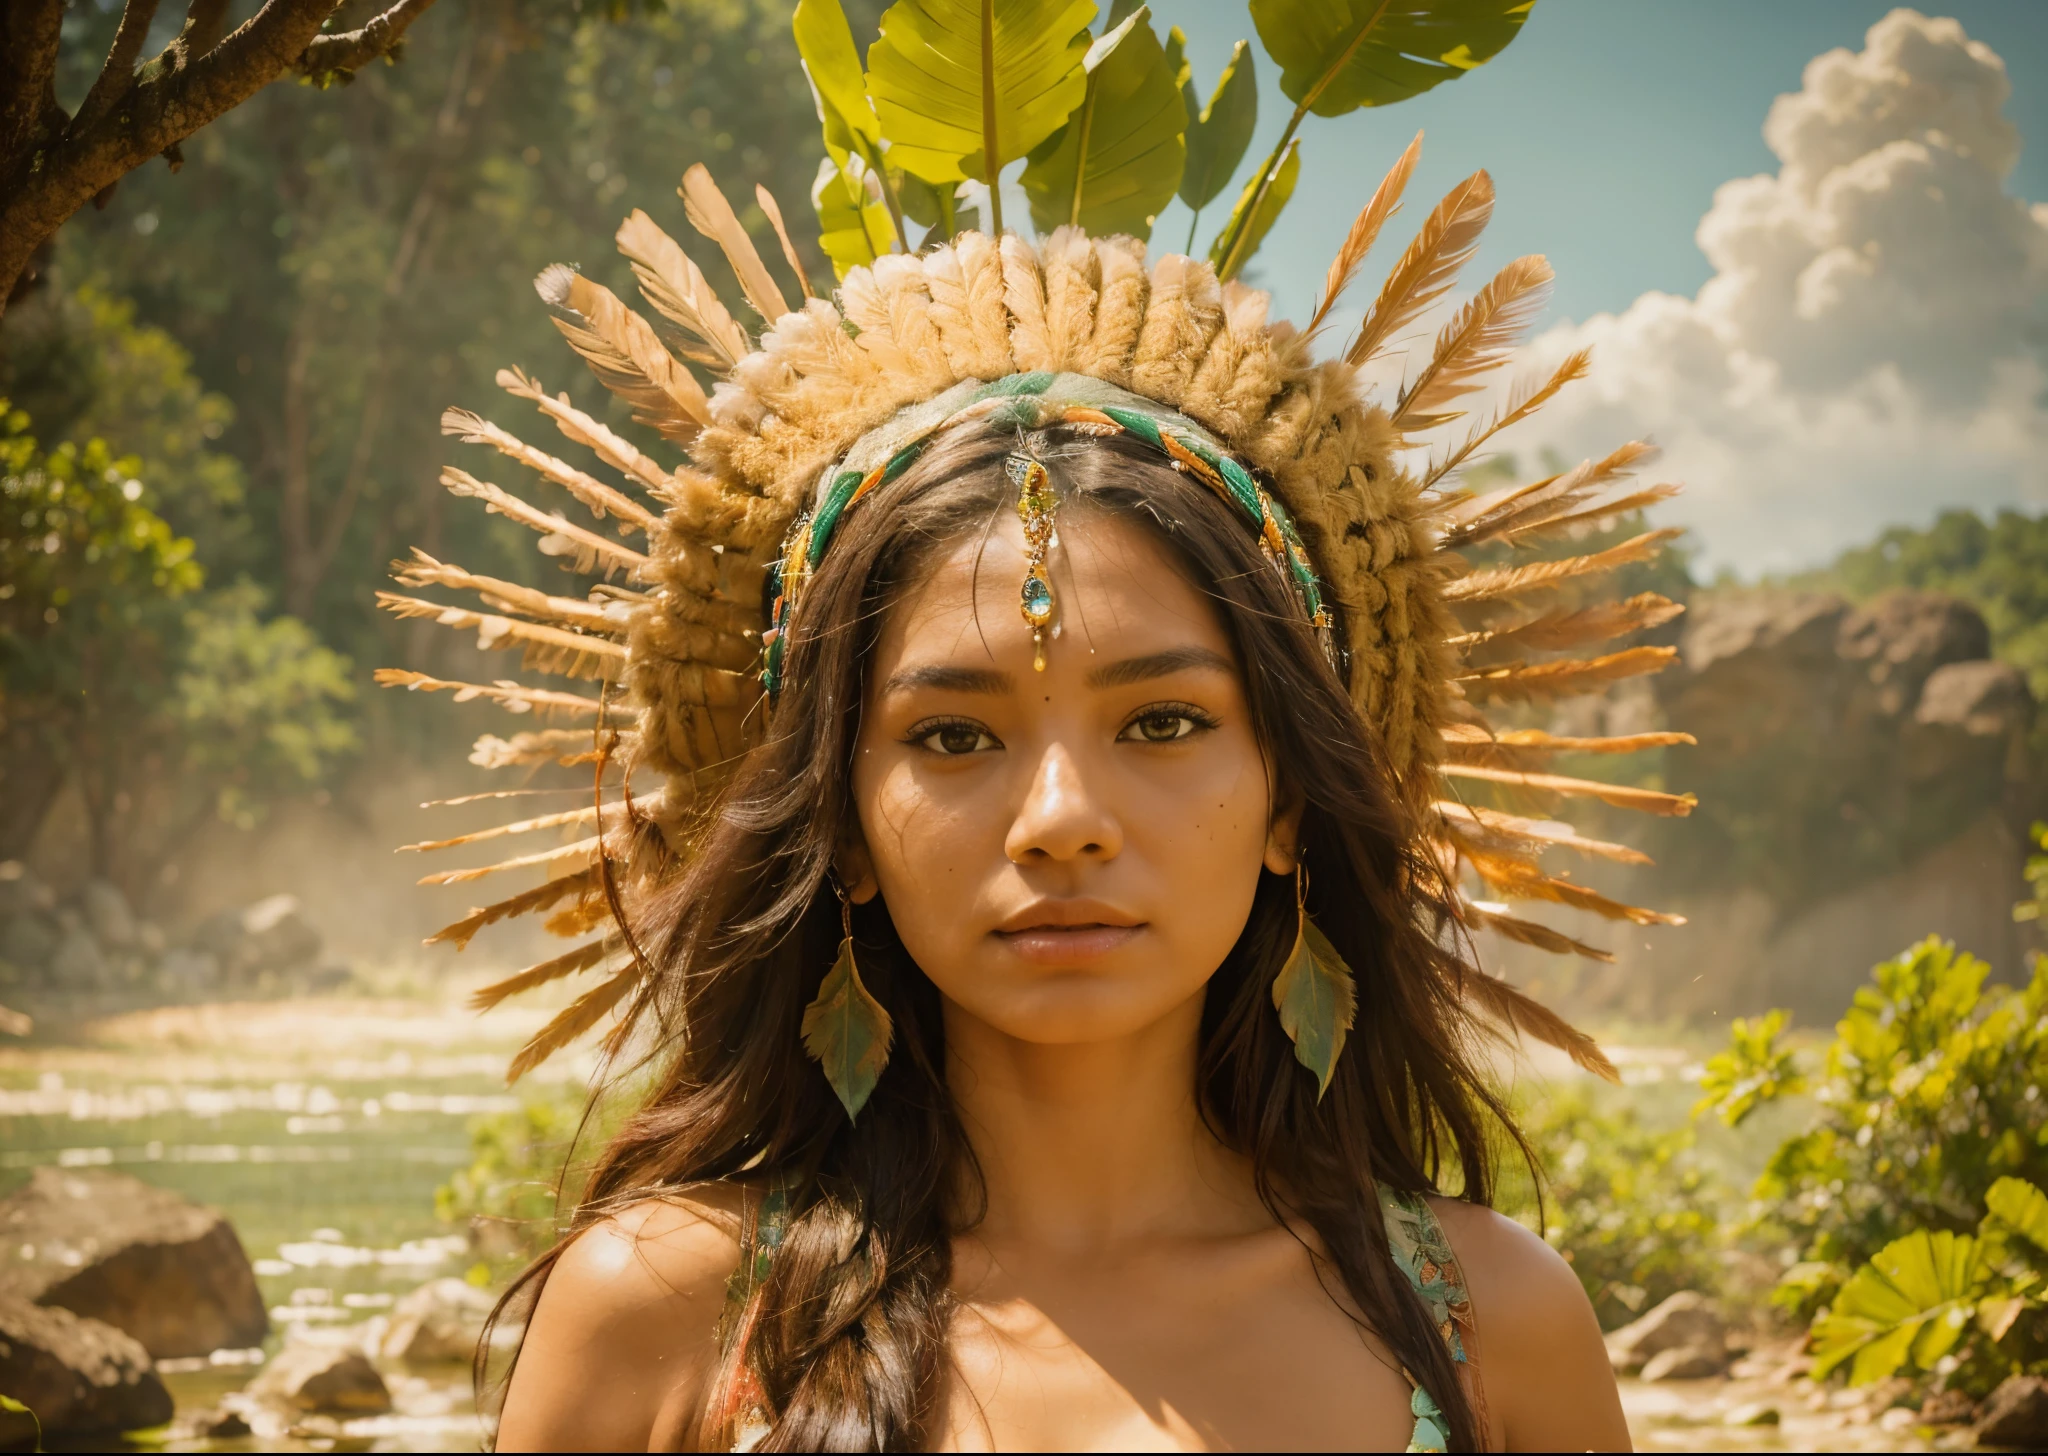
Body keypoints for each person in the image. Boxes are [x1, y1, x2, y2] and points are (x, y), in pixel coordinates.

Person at [386, 24, 1686, 1449]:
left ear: (1288, 804)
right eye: (951, 738)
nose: (1060, 815)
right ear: (844, 827)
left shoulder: (1490, 1331)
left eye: (1166, 721)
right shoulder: (661, 1318)